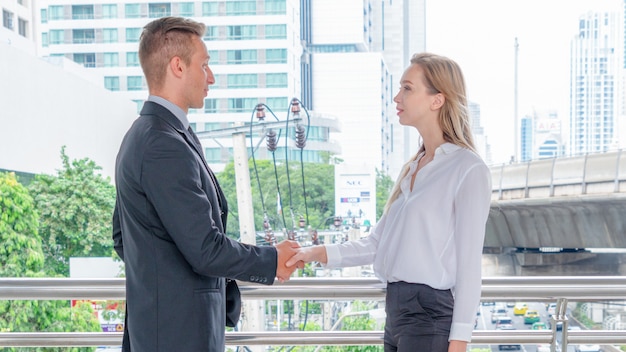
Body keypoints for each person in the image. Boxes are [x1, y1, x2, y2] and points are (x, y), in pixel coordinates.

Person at [112, 16, 299, 352]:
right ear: (178, 66)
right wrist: (271, 260)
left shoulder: (150, 134)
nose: (210, 77)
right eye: (205, 65)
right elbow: (205, 249)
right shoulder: (162, 144)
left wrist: (159, 280)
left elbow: (121, 238)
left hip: (163, 329)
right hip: (177, 336)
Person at [286, 53, 492, 352]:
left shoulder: (468, 169)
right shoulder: (413, 168)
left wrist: (460, 340)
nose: (397, 97)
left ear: (437, 100)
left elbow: (470, 265)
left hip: (429, 318)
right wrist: (312, 252)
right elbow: (374, 244)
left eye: (407, 88)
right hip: (396, 315)